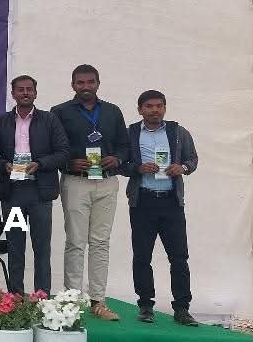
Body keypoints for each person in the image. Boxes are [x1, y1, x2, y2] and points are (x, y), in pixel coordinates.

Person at [50, 64, 130, 321]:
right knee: (75, 241)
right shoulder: (60, 112)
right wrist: (68, 163)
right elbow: (52, 147)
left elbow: (124, 145)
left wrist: (117, 158)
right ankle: (71, 301)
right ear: (73, 84)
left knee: (100, 242)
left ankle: (98, 300)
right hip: (76, 182)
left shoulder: (113, 111)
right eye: (80, 82)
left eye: (90, 82)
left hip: (106, 182)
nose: (86, 86)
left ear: (98, 83)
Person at [0, 75, 69, 295]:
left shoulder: (49, 120)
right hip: (12, 193)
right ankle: (15, 297)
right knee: (15, 248)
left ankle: (42, 298)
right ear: (13, 94)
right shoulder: (1, 122)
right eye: (20, 89)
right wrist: (3, 165)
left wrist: (40, 164)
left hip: (40, 192)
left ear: (35, 93)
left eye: (29, 89)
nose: (25, 93)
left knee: (42, 249)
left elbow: (63, 153)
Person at [122, 90, 199, 326]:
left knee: (179, 257)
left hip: (171, 202)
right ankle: (145, 306)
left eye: (159, 106)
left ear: (165, 108)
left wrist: (181, 168)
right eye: (149, 106)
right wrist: (138, 168)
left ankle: (182, 308)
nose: (154, 110)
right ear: (140, 110)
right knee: (142, 256)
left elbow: (193, 160)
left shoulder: (178, 132)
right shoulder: (130, 133)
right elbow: (120, 164)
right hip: (143, 201)